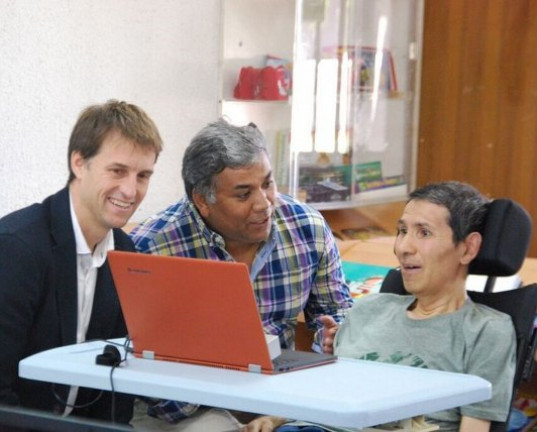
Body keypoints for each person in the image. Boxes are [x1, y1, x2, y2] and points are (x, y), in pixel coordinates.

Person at [0, 100, 163, 431]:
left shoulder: (124, 254)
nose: (130, 190)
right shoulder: (15, 249)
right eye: (117, 171)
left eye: (143, 176)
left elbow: (112, 382)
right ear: (79, 163)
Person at [129, 119, 353, 430]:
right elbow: (138, 365)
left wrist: (331, 339)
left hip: (279, 393)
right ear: (202, 200)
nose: (264, 204)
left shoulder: (306, 227)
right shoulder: (152, 246)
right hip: (186, 402)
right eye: (243, 194)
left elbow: (335, 312)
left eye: (268, 184)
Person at [244, 181, 517, 432]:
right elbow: (327, 393)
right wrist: (275, 418)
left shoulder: (486, 330)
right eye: (402, 231)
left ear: (468, 248)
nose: (403, 247)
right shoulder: (369, 308)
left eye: (424, 232)